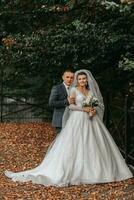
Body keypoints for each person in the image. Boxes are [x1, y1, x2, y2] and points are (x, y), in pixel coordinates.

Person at [5, 69, 133, 187]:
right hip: (77, 119)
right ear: (77, 80)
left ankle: (97, 171)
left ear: (87, 80)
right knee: (75, 144)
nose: (82, 81)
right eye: (80, 79)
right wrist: (84, 109)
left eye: (84, 79)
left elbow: (97, 105)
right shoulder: (74, 90)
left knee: (93, 144)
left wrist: (93, 110)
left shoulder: (90, 91)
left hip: (91, 121)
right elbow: (71, 107)